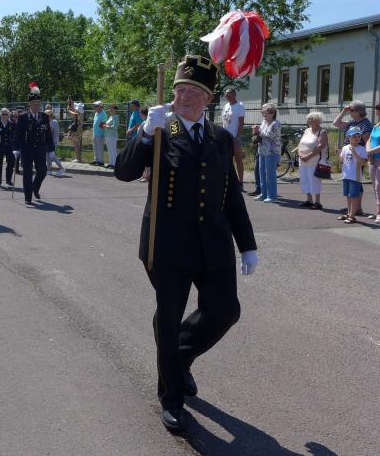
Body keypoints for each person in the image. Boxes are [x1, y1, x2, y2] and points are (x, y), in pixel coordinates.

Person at [114, 55, 257, 434]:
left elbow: (231, 195)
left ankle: (178, 355)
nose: (185, 97)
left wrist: (247, 244)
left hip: (213, 244)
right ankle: (172, 395)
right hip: (167, 244)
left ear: (208, 98)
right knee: (169, 315)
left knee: (225, 311)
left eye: (194, 91)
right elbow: (124, 171)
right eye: (180, 90)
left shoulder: (220, 139)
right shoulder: (161, 131)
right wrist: (145, 133)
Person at [14, 83, 55, 204]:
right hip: (26, 148)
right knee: (27, 173)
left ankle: (35, 188)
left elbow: (48, 134)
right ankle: (28, 197)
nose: (37, 106)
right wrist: (16, 148)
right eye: (35, 104)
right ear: (30, 105)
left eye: (38, 104)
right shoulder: (23, 117)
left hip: (40, 148)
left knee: (42, 171)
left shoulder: (44, 117)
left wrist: (51, 149)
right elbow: (18, 134)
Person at [332, 100, 373, 215]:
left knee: (356, 181)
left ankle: (357, 208)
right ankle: (352, 207)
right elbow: (336, 123)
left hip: (358, 155)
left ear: (359, 111)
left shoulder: (365, 124)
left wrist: (366, 157)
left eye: (351, 110)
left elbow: (367, 142)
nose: (349, 111)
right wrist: (343, 111)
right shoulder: (352, 122)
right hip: (348, 153)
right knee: (350, 181)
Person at [294, 112, 328, 209]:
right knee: (305, 179)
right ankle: (309, 200)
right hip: (303, 160)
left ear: (317, 121)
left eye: (311, 119)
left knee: (314, 180)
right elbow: (300, 143)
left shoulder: (322, 132)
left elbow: (321, 146)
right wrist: (300, 154)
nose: (308, 121)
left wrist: (308, 156)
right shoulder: (307, 130)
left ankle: (317, 202)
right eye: (308, 119)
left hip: (314, 160)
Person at [252, 103, 281, 203]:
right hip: (262, 150)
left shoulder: (276, 124)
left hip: (272, 151)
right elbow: (260, 134)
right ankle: (263, 194)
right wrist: (255, 132)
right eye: (263, 113)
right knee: (262, 173)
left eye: (266, 113)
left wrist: (259, 131)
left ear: (272, 113)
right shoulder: (264, 122)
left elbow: (270, 135)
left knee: (270, 174)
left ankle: (272, 196)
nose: (264, 115)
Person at [339, 128, 368, 224]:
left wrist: (354, 153)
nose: (357, 138)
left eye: (358, 136)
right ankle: (349, 213)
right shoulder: (345, 148)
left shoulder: (361, 149)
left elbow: (362, 162)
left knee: (354, 196)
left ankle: (352, 216)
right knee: (348, 195)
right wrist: (339, 154)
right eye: (354, 136)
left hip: (355, 177)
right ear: (349, 137)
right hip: (346, 175)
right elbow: (341, 161)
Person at [221, 88, 246, 187]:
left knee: (238, 159)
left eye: (229, 94)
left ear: (234, 95)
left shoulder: (240, 106)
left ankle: (240, 182)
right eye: (226, 94)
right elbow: (224, 122)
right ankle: (229, 181)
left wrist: (237, 137)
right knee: (227, 159)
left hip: (235, 137)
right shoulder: (226, 106)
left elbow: (241, 123)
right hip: (225, 136)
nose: (227, 96)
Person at [45, 108, 65, 177]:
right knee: (48, 157)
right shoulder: (47, 122)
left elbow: (54, 133)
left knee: (52, 156)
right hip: (47, 142)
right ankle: (49, 170)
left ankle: (61, 168)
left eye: (47, 115)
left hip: (52, 142)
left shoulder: (54, 122)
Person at [66, 98, 84, 162]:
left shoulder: (76, 106)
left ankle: (78, 158)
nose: (69, 103)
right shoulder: (70, 107)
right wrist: (70, 110)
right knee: (75, 143)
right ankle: (78, 158)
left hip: (77, 127)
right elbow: (74, 114)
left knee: (76, 143)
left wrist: (70, 110)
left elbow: (77, 114)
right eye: (68, 102)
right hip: (75, 127)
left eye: (70, 101)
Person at [91, 101, 107, 166]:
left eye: (96, 106)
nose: (95, 107)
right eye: (95, 106)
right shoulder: (96, 113)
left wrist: (100, 126)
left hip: (100, 133)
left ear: (100, 107)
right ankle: (96, 160)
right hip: (95, 133)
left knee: (100, 147)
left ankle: (101, 161)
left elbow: (103, 124)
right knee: (95, 147)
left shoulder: (103, 114)